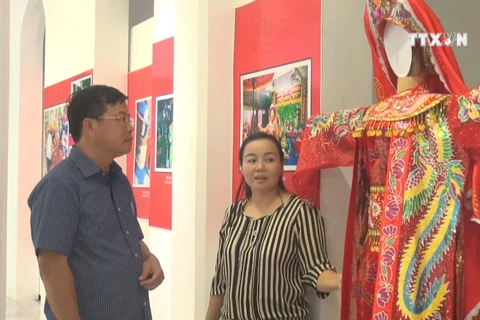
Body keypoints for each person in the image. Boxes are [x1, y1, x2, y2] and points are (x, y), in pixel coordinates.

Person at [292, 1, 480, 319]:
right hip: (380, 254)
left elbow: (315, 132)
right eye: (388, 39)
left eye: (403, 39)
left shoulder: (450, 112)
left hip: (427, 251)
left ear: (424, 47)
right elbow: (316, 132)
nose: (397, 49)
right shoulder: (379, 118)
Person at [28, 85, 164, 320]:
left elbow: (126, 234)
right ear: (89, 126)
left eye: (129, 118)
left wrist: (149, 257)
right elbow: (51, 267)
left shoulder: (118, 179)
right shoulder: (60, 186)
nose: (131, 127)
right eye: (121, 119)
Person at [206, 132, 341, 320]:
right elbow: (220, 280)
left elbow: (316, 269)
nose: (260, 167)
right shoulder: (233, 214)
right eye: (251, 160)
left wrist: (340, 280)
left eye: (269, 160)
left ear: (281, 166)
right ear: (242, 167)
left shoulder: (300, 212)